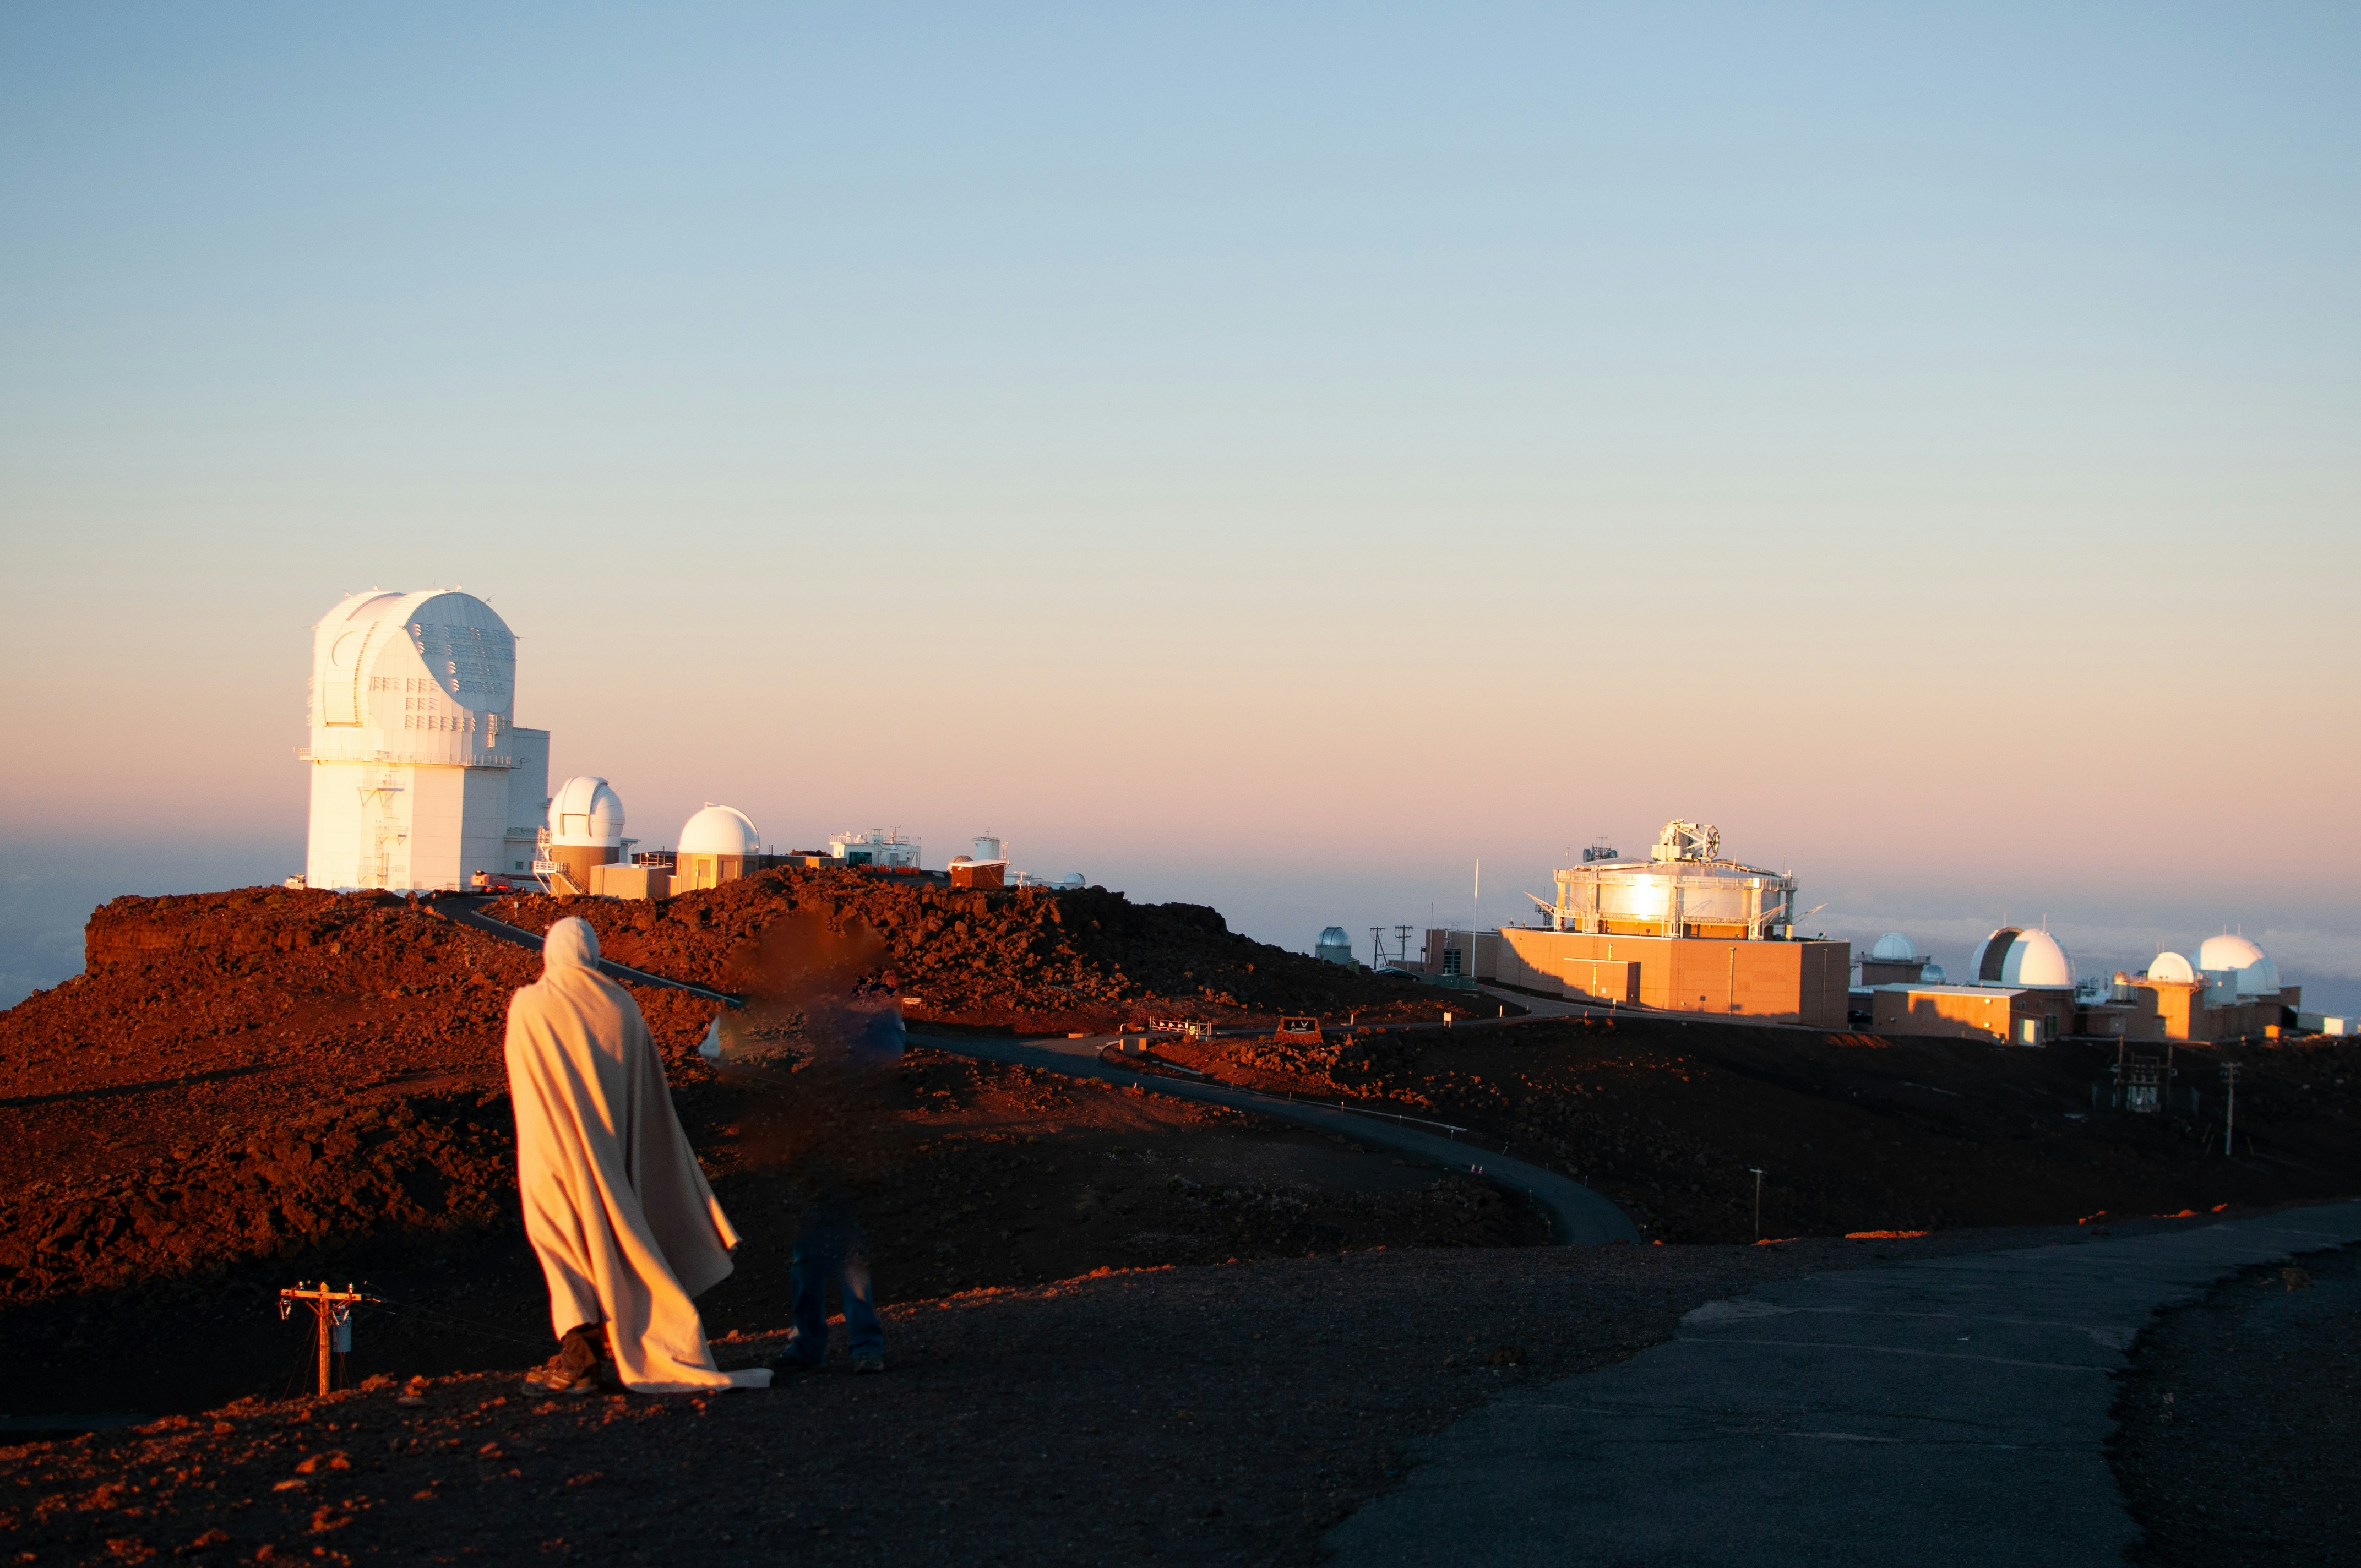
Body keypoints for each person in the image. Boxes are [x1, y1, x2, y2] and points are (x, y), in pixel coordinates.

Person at [504, 916, 771, 1395]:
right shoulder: (621, 1006)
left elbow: (526, 1082)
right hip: (615, 1154)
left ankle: (579, 1363)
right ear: (592, 952)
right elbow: (647, 1092)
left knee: (563, 1245)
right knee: (615, 1244)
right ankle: (597, 1348)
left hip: (552, 1154)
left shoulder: (530, 1005)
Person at [769, 957, 906, 1376]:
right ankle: (847, 1347)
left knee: (830, 1260)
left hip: (837, 1168)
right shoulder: (835, 1056)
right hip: (825, 1167)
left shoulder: (856, 1052)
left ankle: (840, 1346)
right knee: (820, 1261)